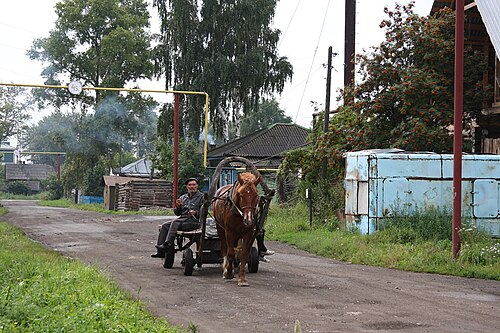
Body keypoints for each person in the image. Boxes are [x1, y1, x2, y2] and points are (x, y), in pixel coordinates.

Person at [151, 178, 204, 258]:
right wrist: (178, 206)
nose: (192, 186)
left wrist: (196, 212)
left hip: (194, 222)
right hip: (182, 220)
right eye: (190, 185)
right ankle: (160, 252)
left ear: (197, 186)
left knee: (175, 222)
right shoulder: (183, 197)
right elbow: (177, 213)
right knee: (165, 226)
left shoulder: (202, 197)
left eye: (194, 184)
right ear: (187, 187)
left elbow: (204, 213)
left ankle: (167, 244)